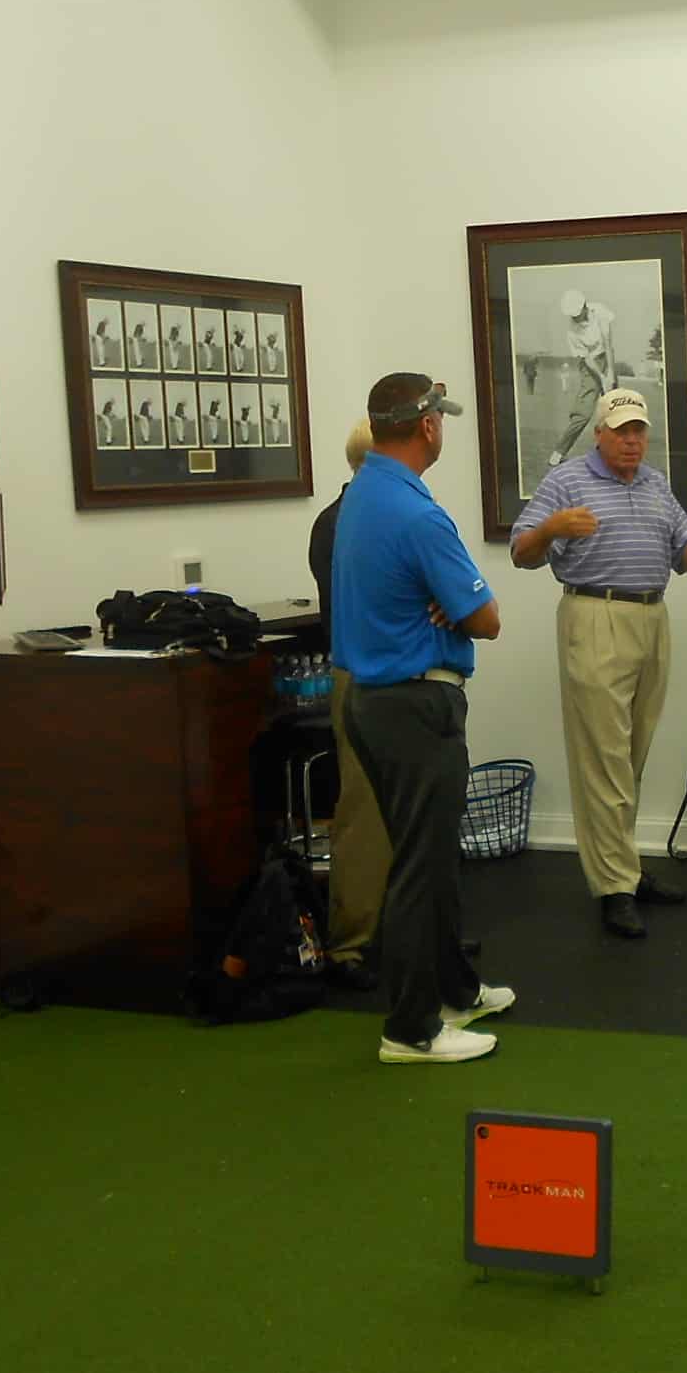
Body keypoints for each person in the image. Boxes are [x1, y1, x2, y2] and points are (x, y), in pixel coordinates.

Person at [330, 372, 514, 1065]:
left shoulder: (364, 497)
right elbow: (488, 619)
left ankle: (455, 991)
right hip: (414, 705)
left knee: (427, 860)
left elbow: (444, 599)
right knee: (419, 865)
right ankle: (410, 1029)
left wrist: (442, 600)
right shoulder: (417, 515)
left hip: (375, 703)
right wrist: (452, 603)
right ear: (429, 425)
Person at [512, 387, 687, 939]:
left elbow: (685, 558)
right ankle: (614, 888)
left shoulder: (654, 484)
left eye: (639, 431)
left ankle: (623, 867)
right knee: (603, 761)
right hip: (594, 615)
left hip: (652, 618)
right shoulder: (566, 482)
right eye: (622, 431)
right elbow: (521, 551)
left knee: (631, 756)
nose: (632, 441)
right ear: (599, 433)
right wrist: (554, 528)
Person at [310, 419, 385, 979]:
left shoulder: (375, 515)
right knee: (362, 813)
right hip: (363, 677)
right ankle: (350, 941)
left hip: (392, 676)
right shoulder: (341, 523)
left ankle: (400, 925)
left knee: (408, 812)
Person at [548, 289, 616, 468]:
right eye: (573, 316)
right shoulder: (572, 332)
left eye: (578, 314)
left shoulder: (600, 311)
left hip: (606, 358)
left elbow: (608, 343)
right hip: (590, 366)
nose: (576, 319)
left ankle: (609, 453)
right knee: (583, 413)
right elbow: (587, 359)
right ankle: (559, 451)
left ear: (585, 306)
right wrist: (602, 378)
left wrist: (610, 373)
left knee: (614, 409)